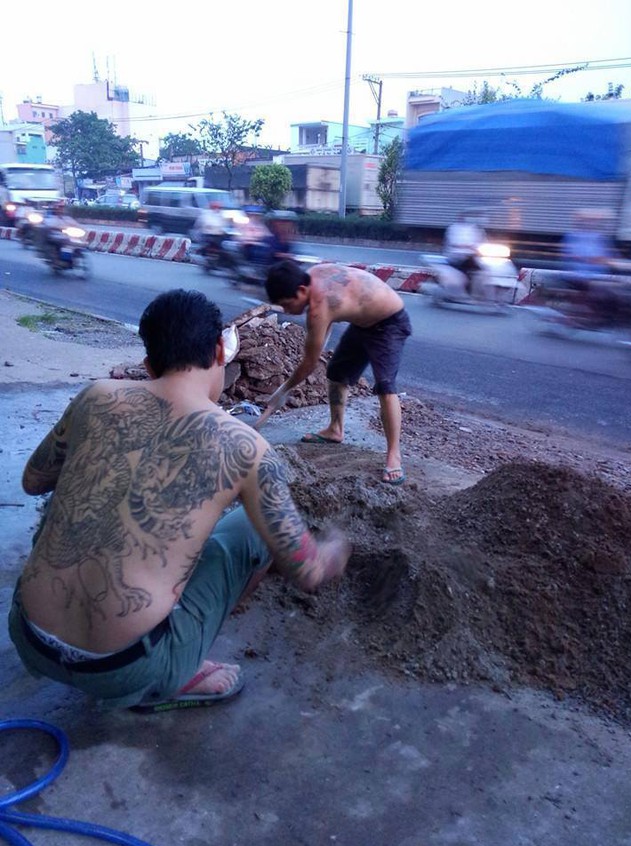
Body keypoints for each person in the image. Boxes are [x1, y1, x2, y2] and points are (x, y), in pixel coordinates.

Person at [8, 289, 350, 712]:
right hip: (123, 670)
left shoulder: (96, 396)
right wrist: (336, 547)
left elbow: (33, 481)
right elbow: (308, 571)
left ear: (148, 364)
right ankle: (179, 669)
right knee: (247, 529)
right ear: (219, 354)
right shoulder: (248, 449)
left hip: (29, 639)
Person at [255, 261, 412, 486]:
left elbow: (309, 363)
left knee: (385, 385)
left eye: (287, 305)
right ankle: (335, 430)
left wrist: (282, 392)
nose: (287, 312)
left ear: (300, 291)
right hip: (363, 323)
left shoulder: (319, 307)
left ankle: (393, 455)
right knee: (337, 372)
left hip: (389, 323)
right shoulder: (311, 276)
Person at [443, 210, 487, 293]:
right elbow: (454, 243)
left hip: (471, 256)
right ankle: (465, 291)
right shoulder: (454, 228)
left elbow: (481, 241)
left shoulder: (474, 228)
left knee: (484, 268)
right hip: (456, 255)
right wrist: (468, 246)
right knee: (466, 271)